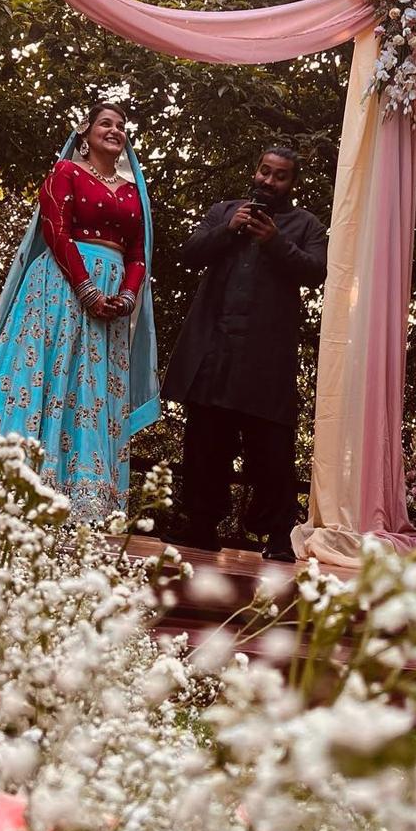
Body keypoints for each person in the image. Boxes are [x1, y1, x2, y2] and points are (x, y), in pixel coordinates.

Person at [0, 102, 159, 521]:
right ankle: (2, 481)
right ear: (85, 135)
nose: (115, 131)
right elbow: (55, 229)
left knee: (88, 387)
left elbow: (138, 254)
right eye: (105, 124)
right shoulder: (65, 173)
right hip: (58, 288)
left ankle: (80, 499)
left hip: (110, 301)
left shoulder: (132, 195)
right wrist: (86, 288)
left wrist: (126, 298)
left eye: (121, 126)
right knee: (44, 373)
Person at [162, 145, 327, 560]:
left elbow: (317, 272)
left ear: (293, 183)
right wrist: (227, 229)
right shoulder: (224, 211)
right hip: (214, 350)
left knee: (271, 450)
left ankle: (277, 537)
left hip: (266, 359)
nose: (268, 181)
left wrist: (275, 242)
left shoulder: (306, 225)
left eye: (280, 175)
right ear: (255, 172)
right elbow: (189, 253)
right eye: (264, 171)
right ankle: (200, 527)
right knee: (204, 444)